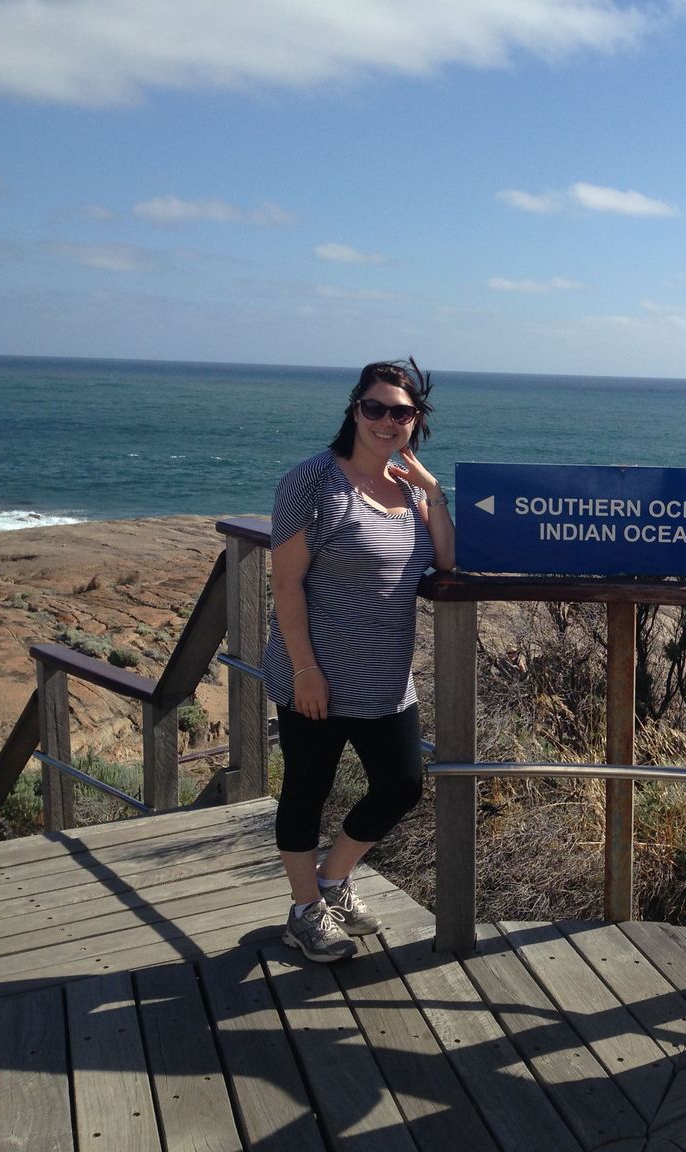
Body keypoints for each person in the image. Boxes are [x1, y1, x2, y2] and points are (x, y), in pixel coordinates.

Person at [262, 358, 456, 962]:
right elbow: (287, 585)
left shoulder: (409, 493)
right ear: (354, 410)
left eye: (400, 412)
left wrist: (430, 489)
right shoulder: (313, 481)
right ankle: (304, 910)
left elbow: (447, 563)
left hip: (386, 679)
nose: (386, 420)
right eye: (374, 407)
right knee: (307, 790)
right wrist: (304, 669)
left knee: (402, 784)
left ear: (415, 422)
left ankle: (331, 880)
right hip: (315, 672)